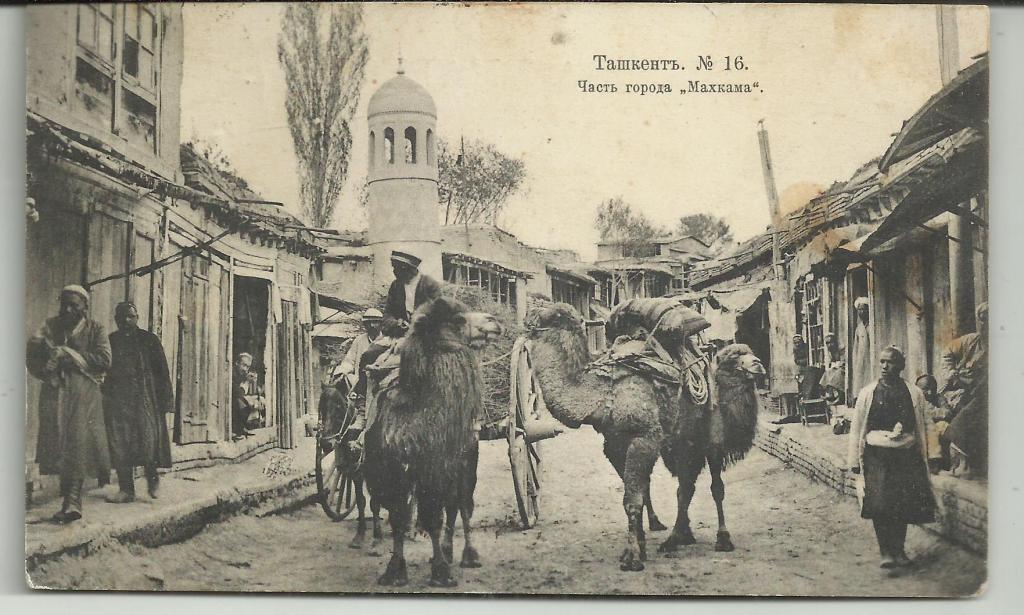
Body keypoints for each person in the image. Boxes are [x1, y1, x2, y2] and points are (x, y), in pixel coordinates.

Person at [26, 285, 112, 523]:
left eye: (74, 305)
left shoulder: (96, 329)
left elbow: (104, 360)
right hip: (55, 395)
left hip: (83, 396)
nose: (68, 309)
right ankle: (68, 501)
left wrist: (69, 355)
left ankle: (73, 501)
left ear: (85, 306)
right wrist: (46, 366)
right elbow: (32, 355)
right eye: (64, 304)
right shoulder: (50, 327)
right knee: (57, 446)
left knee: (78, 444)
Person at [847, 346, 938, 569]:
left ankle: (899, 550)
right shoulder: (869, 393)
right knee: (880, 503)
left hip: (905, 456)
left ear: (901, 366)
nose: (885, 367)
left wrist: (935, 453)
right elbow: (857, 427)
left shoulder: (913, 393)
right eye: (882, 362)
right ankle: (886, 551)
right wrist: (853, 461)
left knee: (902, 503)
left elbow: (925, 423)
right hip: (877, 456)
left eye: (890, 363)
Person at [103, 302, 174, 503]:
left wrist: (166, 400)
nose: (126, 321)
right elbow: (106, 370)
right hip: (119, 400)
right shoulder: (112, 340)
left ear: (137, 318)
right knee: (119, 443)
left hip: (145, 399)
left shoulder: (148, 340)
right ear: (116, 319)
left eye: (130, 316)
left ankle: (152, 478)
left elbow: (162, 372)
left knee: (147, 441)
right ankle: (126, 490)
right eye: (122, 317)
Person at [940, 302, 988, 478]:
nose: (986, 325)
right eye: (982, 320)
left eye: (990, 320)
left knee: (967, 419)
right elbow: (947, 352)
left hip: (984, 394)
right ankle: (958, 465)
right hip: (963, 392)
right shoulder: (970, 340)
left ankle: (968, 466)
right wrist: (953, 375)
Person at [383, 250, 441, 332]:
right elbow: (388, 313)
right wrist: (396, 323)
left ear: (410, 269)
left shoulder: (429, 285)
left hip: (425, 333)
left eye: (397, 268)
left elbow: (438, 314)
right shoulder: (396, 285)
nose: (394, 272)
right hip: (400, 333)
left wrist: (417, 323)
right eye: (394, 268)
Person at [331, 308, 384, 389]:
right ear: (365, 325)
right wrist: (342, 372)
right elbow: (350, 360)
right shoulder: (359, 340)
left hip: (381, 381)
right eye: (368, 323)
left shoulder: (386, 340)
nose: (372, 326)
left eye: (375, 322)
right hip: (361, 383)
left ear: (381, 324)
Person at [850, 296, 872, 404]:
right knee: (860, 378)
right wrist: (856, 359)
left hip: (871, 357)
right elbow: (856, 346)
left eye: (863, 309)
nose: (861, 312)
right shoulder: (859, 328)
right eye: (859, 310)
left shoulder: (872, 326)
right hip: (861, 358)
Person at [232, 353, 257, 438]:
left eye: (248, 367)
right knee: (241, 402)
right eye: (244, 365)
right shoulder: (231, 374)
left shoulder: (241, 374)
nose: (245, 369)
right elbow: (238, 393)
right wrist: (246, 382)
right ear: (236, 363)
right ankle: (237, 429)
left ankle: (241, 427)